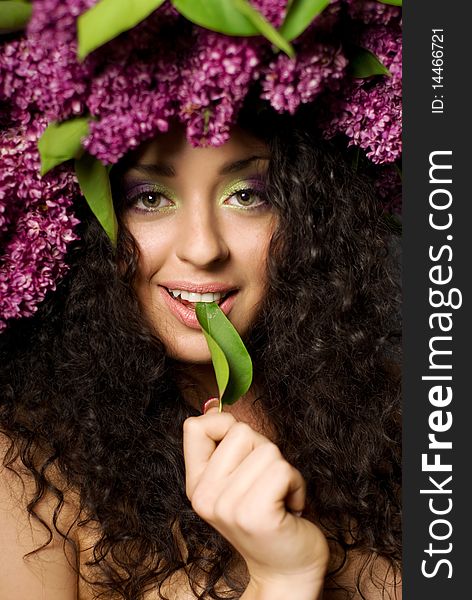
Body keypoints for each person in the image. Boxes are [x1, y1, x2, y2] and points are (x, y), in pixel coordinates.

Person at [0, 2, 402, 599]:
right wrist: (282, 579)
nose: (202, 248)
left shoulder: (389, 418)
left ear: (314, 213)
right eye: (148, 198)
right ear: (86, 222)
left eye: (247, 194)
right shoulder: (22, 477)